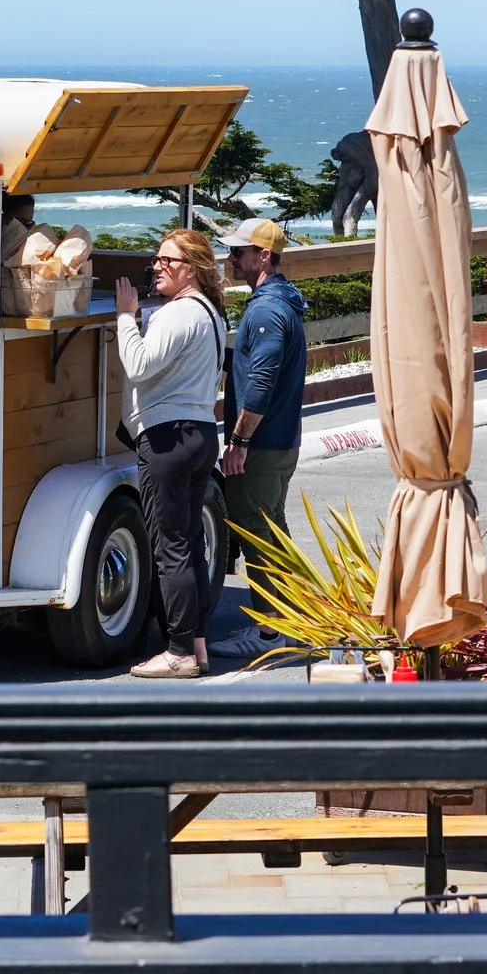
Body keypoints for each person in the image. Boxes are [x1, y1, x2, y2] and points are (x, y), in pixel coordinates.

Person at [112, 226, 228, 678]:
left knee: (171, 548)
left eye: (169, 261)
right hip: (199, 431)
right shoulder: (211, 313)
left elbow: (139, 366)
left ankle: (178, 652)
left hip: (168, 438)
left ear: (194, 268)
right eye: (157, 259)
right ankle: (196, 643)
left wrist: (126, 317)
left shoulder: (179, 314)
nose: (157, 266)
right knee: (191, 545)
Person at [218, 217, 307, 547]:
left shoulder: (267, 311)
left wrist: (238, 442)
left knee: (253, 530)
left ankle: (272, 601)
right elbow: (253, 363)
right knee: (272, 523)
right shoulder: (285, 300)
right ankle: (298, 599)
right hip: (282, 441)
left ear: (264, 256)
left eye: (239, 252)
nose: (231, 259)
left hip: (262, 445)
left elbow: (261, 381)